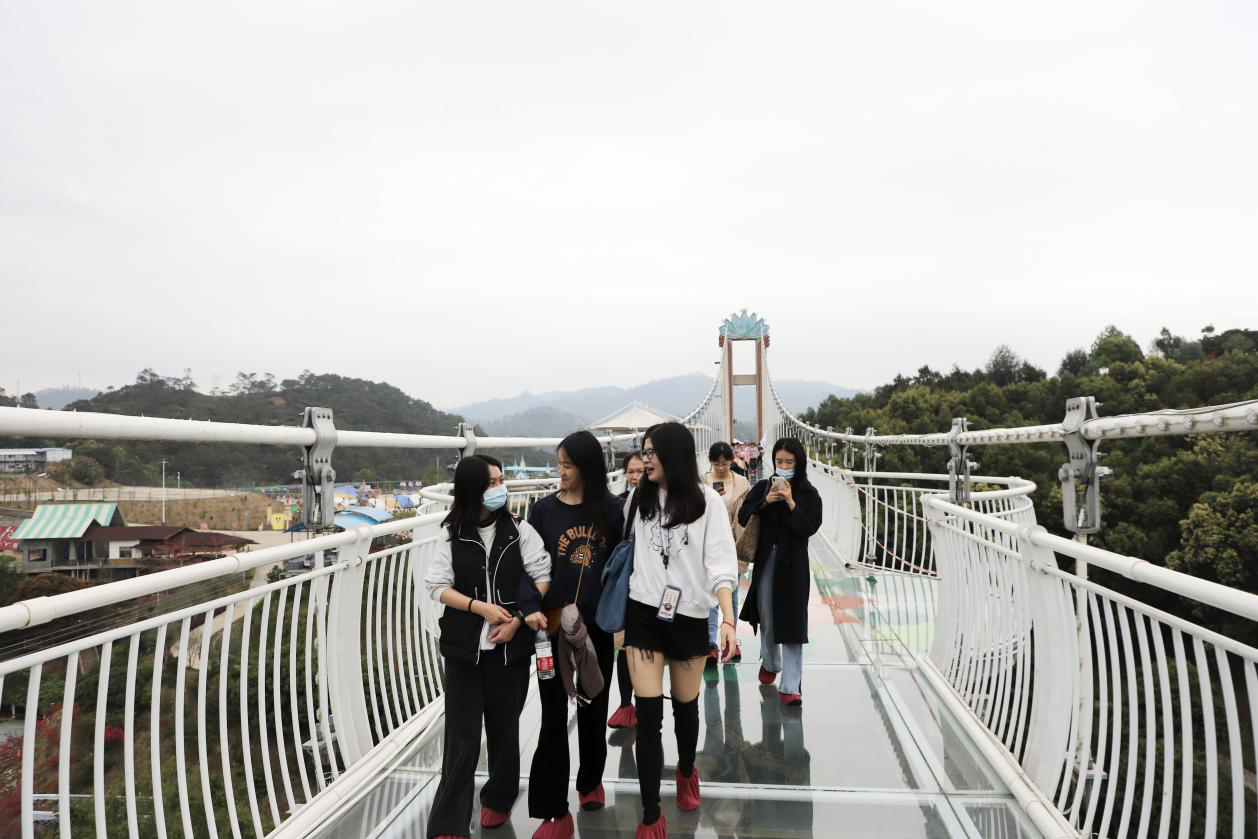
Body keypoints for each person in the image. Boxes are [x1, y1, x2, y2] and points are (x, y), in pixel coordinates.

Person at [425, 455, 552, 839]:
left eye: (501, 480)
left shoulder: (519, 530)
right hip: (464, 649)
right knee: (461, 736)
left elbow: (542, 574)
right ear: (472, 489)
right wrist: (480, 607)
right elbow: (437, 586)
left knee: (504, 729)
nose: (500, 488)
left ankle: (498, 798)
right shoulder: (451, 534)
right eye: (492, 483)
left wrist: (516, 621)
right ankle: (449, 822)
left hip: (510, 650)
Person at [624, 421, 738, 839]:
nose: (644, 459)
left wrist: (728, 619)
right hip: (643, 614)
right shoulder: (638, 498)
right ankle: (651, 813)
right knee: (648, 716)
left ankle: (687, 769)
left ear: (673, 455)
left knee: (685, 711)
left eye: (651, 452)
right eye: (643, 451)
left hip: (689, 616)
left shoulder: (708, 502)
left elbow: (721, 566)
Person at [522, 431, 624, 839]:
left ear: (587, 467)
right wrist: (529, 607)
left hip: (596, 626)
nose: (560, 471)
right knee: (551, 715)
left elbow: (621, 566)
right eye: (559, 463)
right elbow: (528, 566)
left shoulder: (613, 512)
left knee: (594, 705)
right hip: (549, 628)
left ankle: (591, 780)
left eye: (567, 464)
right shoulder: (543, 511)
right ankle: (554, 810)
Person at [738, 438, 822, 706]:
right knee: (767, 615)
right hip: (766, 561)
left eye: (789, 462)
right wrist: (765, 502)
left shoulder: (808, 493)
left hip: (794, 565)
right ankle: (771, 662)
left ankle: (791, 686)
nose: (783, 467)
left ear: (799, 463)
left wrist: (791, 502)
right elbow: (742, 516)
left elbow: (808, 527)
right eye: (779, 462)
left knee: (794, 621)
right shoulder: (763, 487)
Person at [701, 441, 750, 665]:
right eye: (716, 463)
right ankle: (711, 643)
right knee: (711, 592)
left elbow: (746, 515)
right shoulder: (702, 482)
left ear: (732, 461)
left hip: (734, 544)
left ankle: (731, 638)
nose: (721, 467)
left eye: (725, 463)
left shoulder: (742, 483)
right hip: (709, 544)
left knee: (732, 592)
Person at [608, 450, 645, 729]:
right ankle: (625, 704)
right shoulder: (618, 503)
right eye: (630, 472)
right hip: (626, 582)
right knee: (624, 644)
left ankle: (644, 702)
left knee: (644, 646)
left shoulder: (664, 503)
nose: (634, 477)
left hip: (650, 584)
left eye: (640, 471)